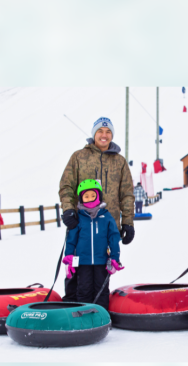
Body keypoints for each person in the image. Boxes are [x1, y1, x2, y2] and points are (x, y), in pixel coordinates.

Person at [58, 117, 136, 300]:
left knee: (101, 274)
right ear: (94, 134)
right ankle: (71, 308)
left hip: (107, 228)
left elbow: (127, 194)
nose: (104, 135)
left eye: (108, 132)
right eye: (100, 131)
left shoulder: (120, 162)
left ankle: (98, 312)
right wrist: (68, 209)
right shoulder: (78, 157)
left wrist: (128, 222)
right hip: (81, 227)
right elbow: (66, 186)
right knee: (75, 270)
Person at [63, 180, 124, 308]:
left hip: (101, 262)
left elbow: (113, 237)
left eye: (93, 195)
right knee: (84, 289)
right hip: (83, 262)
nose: (90, 199)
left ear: (99, 196)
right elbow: (71, 239)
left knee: (101, 289)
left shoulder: (106, 217)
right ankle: (83, 317)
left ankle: (101, 317)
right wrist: (69, 257)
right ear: (81, 198)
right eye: (86, 196)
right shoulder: (78, 218)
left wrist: (115, 257)